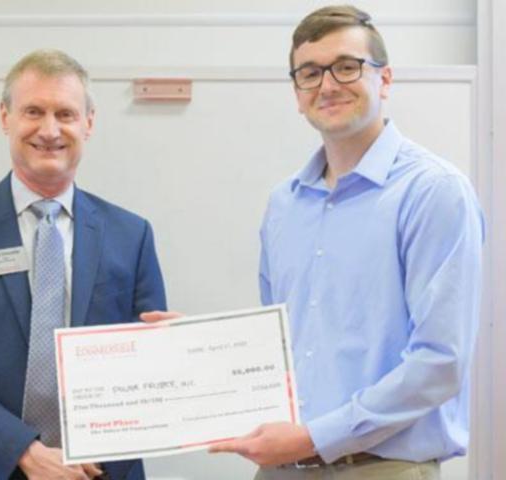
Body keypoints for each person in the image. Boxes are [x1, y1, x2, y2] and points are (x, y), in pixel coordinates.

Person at [144, 5, 483, 480]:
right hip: (285, 467)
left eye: (347, 67)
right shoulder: (284, 204)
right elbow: (285, 345)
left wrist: (315, 437)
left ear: (384, 80)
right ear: (297, 93)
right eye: (310, 72)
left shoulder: (433, 192)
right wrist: (207, 350)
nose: (327, 84)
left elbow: (439, 362)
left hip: (382, 469)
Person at [0, 49, 166, 480]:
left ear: (89, 123)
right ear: (5, 117)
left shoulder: (131, 235)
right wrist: (22, 450)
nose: (50, 129)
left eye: (65, 113)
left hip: (98, 470)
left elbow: (144, 368)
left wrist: (178, 352)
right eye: (33, 111)